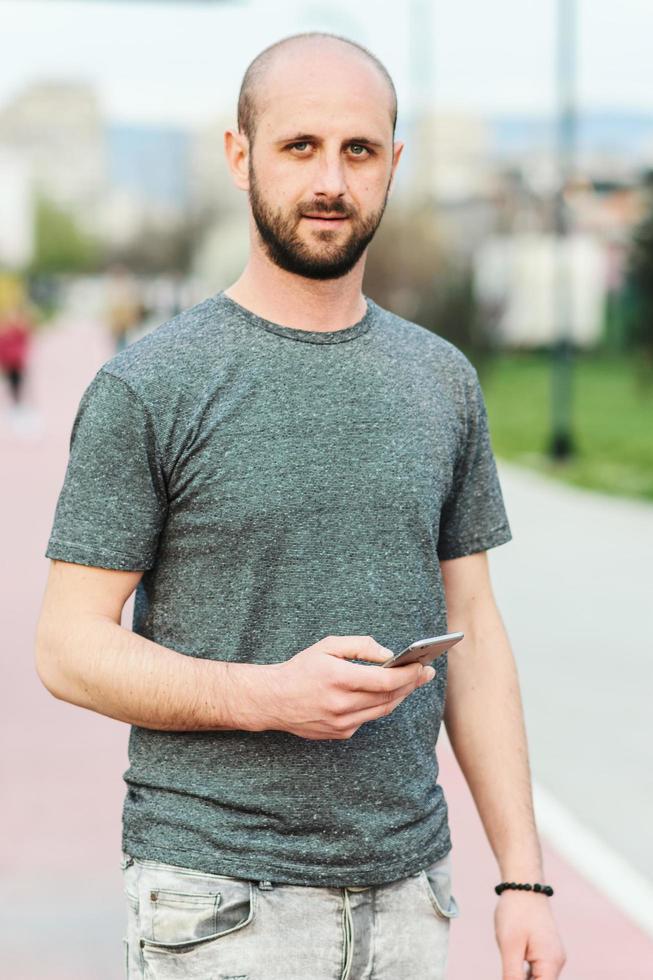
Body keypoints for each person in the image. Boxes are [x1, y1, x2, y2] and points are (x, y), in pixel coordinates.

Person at [35, 32, 565, 980]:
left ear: (392, 166)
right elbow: (68, 647)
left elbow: (472, 630)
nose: (330, 178)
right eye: (299, 146)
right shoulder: (150, 386)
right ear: (240, 157)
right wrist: (268, 697)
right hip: (216, 898)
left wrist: (522, 881)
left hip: (412, 895)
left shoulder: (440, 380)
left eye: (358, 150)